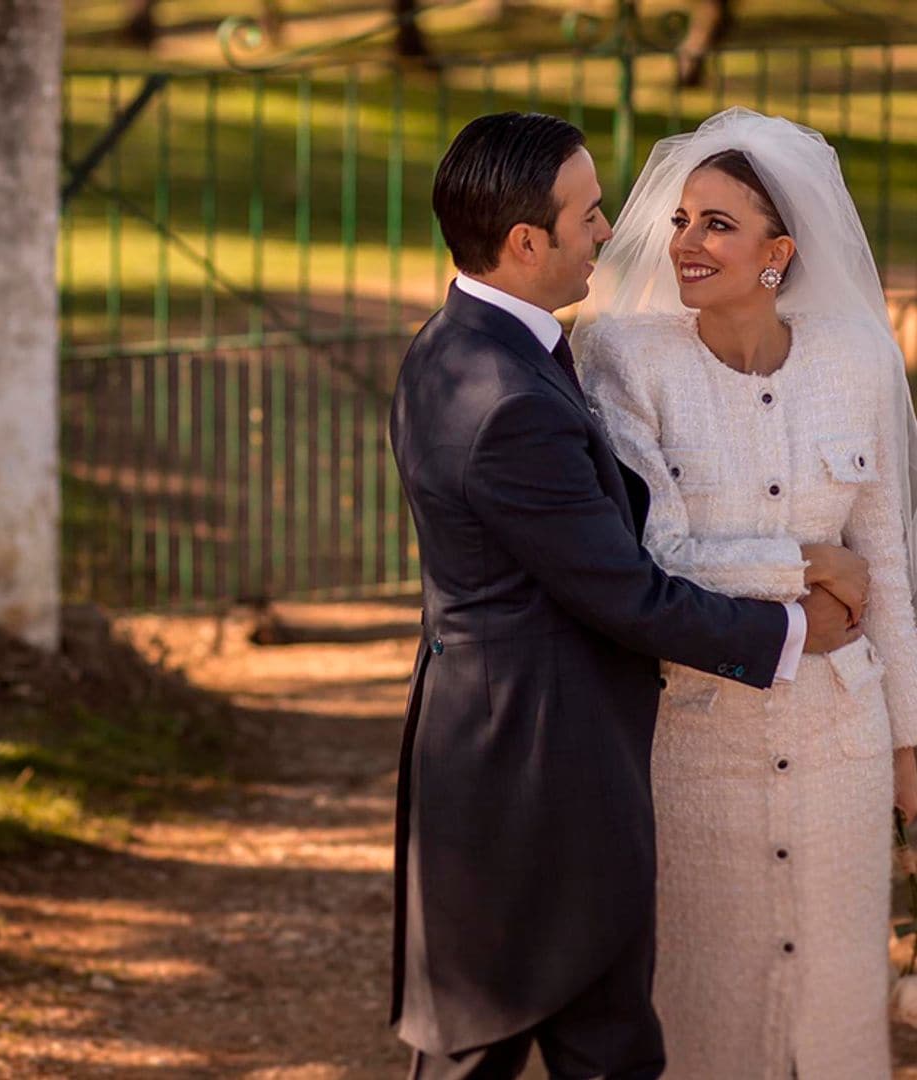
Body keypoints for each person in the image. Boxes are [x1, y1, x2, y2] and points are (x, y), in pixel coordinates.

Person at [389, 111, 862, 1080]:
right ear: (527, 243)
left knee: (588, 1042)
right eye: (589, 214)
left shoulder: (464, 349)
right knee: (495, 1044)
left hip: (511, 755)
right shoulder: (506, 397)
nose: (611, 231)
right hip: (535, 771)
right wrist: (790, 628)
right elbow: (629, 594)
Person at [574, 107, 917, 1079]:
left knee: (841, 1017)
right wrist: (803, 564)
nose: (685, 243)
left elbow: (885, 566)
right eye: (682, 220)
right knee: (700, 1016)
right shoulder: (625, 363)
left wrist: (907, 748)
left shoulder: (856, 362)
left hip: (841, 754)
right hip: (693, 748)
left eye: (718, 224)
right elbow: (652, 555)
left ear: (780, 251)